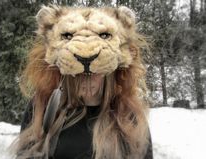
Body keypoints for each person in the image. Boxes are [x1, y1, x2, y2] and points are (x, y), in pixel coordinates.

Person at [12, 4, 153, 159]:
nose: (86, 78)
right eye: (77, 72)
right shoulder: (42, 107)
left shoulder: (128, 113)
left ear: (112, 70)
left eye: (96, 70)